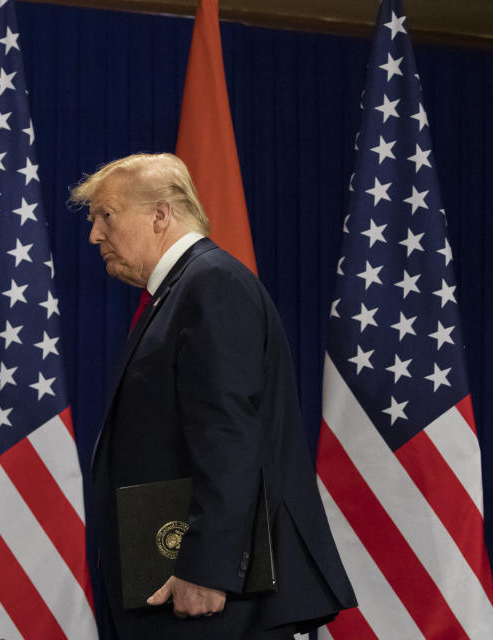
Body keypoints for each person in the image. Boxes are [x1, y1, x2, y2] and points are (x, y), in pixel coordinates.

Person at [70, 153, 356, 639]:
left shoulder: (212, 286)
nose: (95, 234)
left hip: (212, 598)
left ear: (161, 214)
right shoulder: (180, 293)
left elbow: (229, 437)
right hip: (174, 586)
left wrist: (208, 568)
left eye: (107, 216)